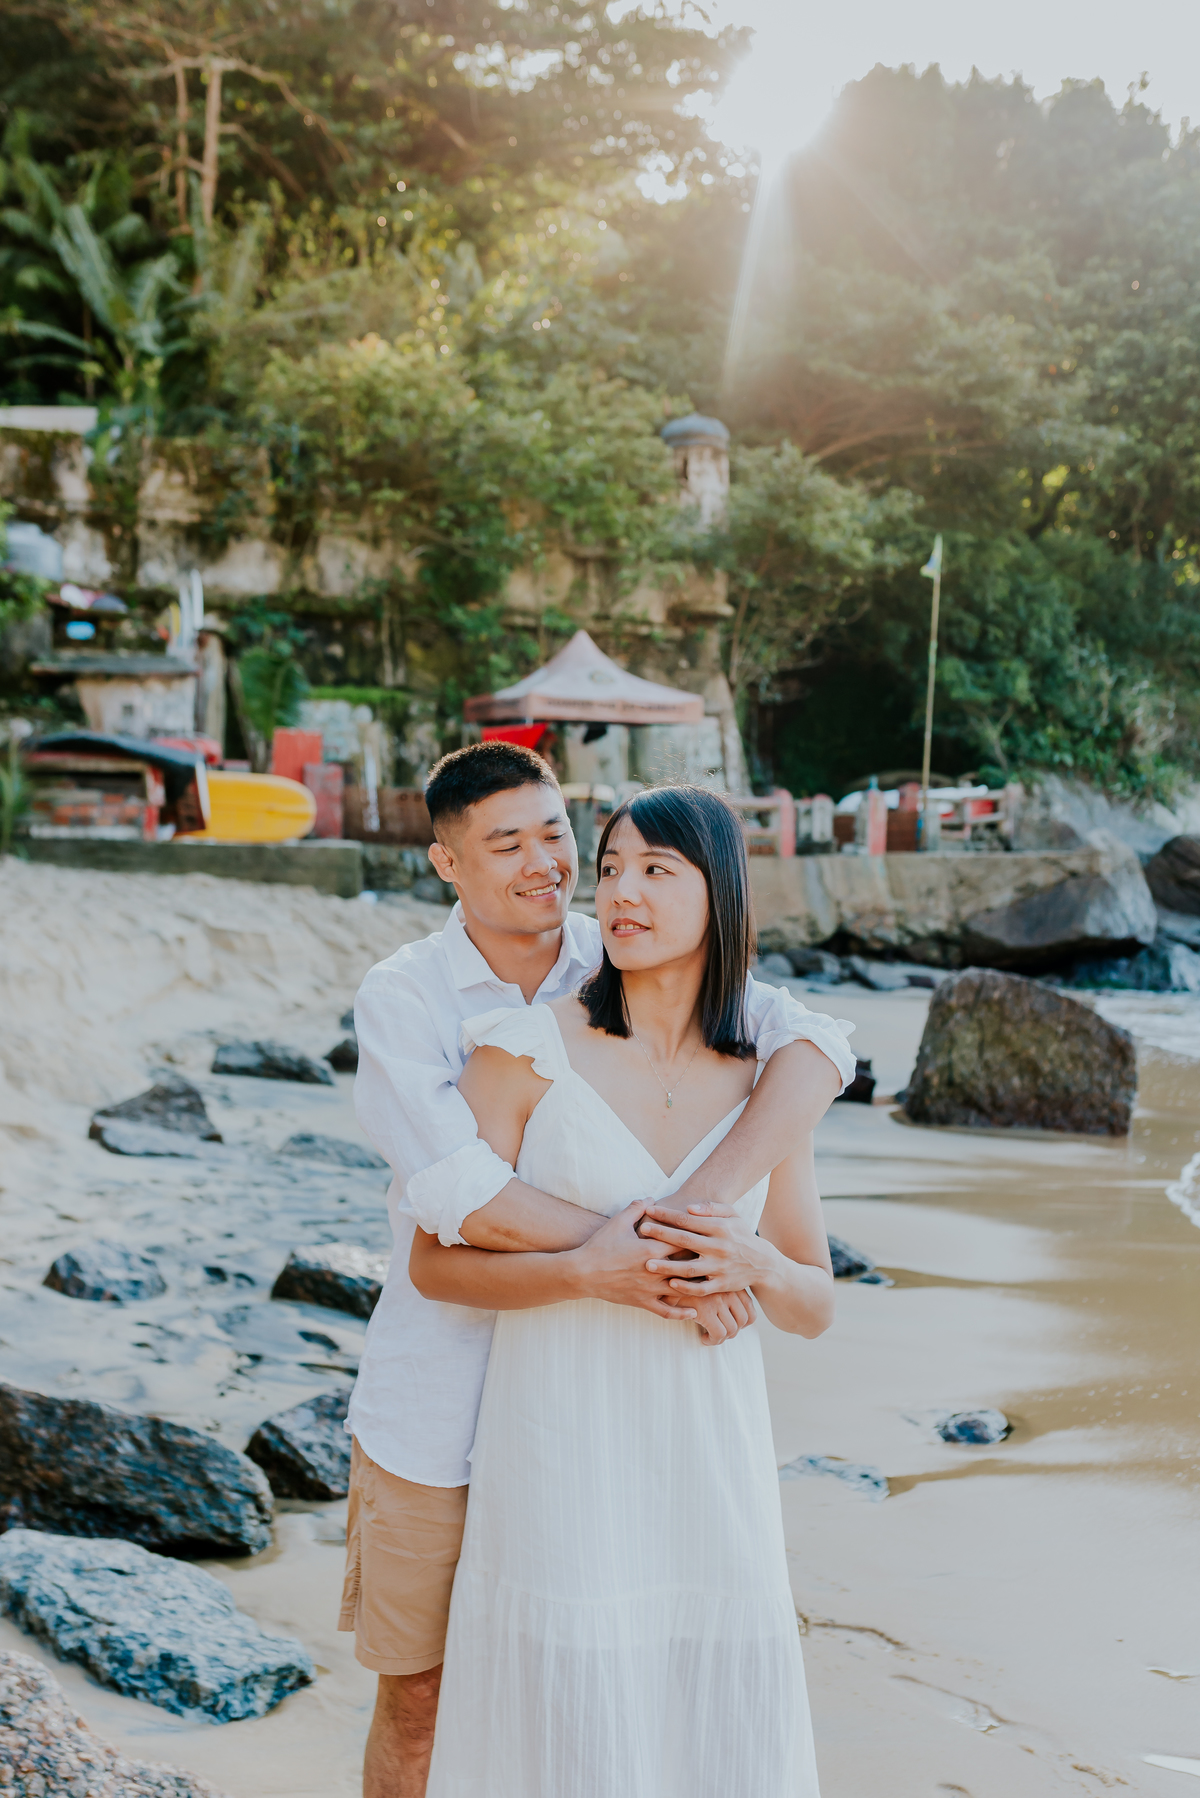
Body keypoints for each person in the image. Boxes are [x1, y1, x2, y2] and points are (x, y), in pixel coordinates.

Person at [344, 744, 855, 1798]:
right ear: (448, 863)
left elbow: (807, 1048)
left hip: (637, 1430)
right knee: (428, 1699)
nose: (560, 868)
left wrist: (729, 1250)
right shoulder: (416, 1002)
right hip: (443, 1402)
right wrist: (644, 1259)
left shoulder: (619, 949)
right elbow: (458, 1205)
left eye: (561, 838)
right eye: (507, 844)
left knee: (649, 1697)